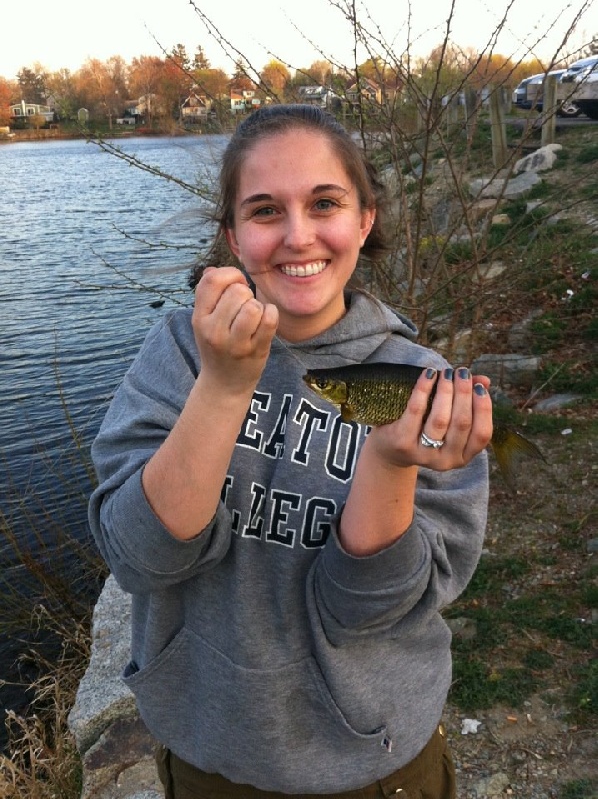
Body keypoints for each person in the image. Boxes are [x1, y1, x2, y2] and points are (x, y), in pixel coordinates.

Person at [88, 104, 493, 799]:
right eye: (266, 211)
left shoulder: (426, 385)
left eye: (325, 203)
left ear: (365, 219)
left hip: (379, 762)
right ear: (234, 237)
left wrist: (389, 464)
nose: (298, 235)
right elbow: (141, 557)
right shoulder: (180, 353)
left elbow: (366, 613)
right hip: (213, 755)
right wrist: (223, 387)